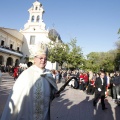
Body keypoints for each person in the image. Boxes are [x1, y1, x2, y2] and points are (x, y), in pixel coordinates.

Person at [1, 45, 58, 120]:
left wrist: (54, 93)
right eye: (41, 58)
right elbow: (16, 98)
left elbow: (51, 93)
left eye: (45, 59)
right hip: (28, 114)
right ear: (35, 59)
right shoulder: (26, 74)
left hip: (44, 113)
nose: (43, 60)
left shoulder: (48, 74)